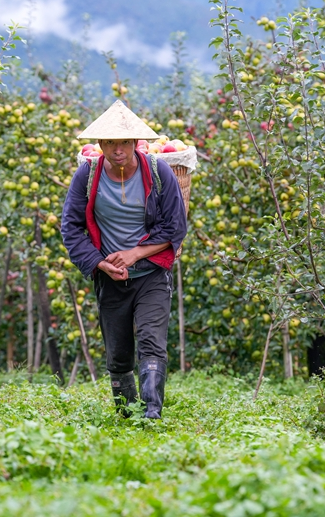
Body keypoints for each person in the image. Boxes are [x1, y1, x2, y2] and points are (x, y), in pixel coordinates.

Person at [61, 100, 187, 419]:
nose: (118, 150)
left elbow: (176, 226)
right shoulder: (87, 175)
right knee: (118, 354)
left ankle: (151, 415)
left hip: (150, 274)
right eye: (110, 142)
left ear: (135, 142)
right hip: (111, 277)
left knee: (151, 342)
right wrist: (99, 263)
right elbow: (71, 227)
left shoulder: (158, 172)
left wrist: (135, 254)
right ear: (100, 144)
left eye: (125, 142)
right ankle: (126, 415)